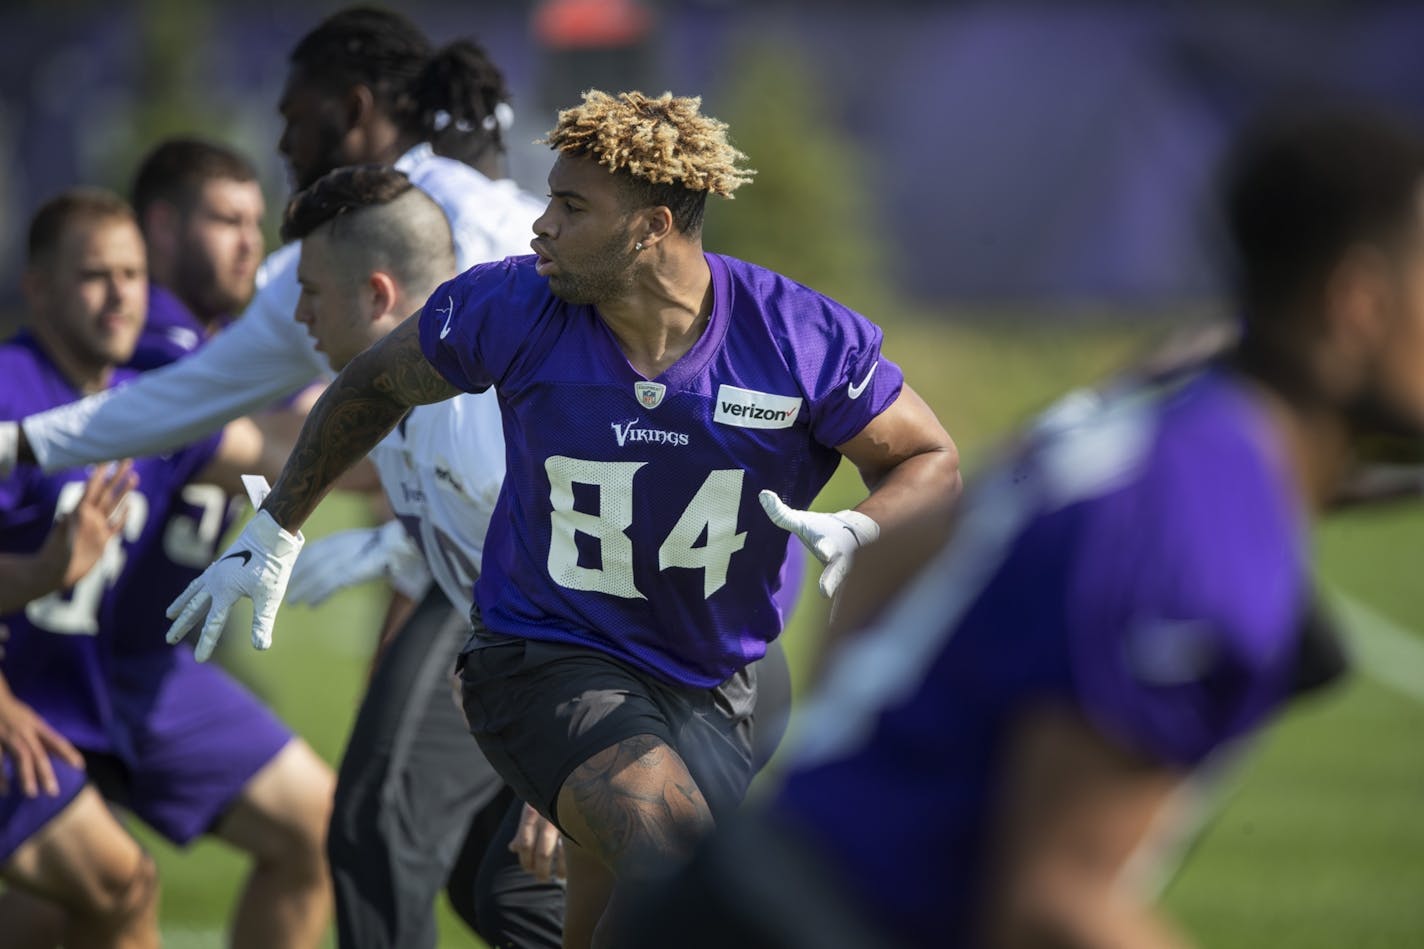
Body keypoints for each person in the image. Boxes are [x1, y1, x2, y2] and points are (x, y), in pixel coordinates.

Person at [165, 89, 962, 949]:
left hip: (711, 679)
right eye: (548, 197)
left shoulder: (796, 336)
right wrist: (280, 521)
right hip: (542, 656)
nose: (540, 225)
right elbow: (374, 382)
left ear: (651, 227)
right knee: (682, 874)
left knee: (605, 917)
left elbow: (928, 457)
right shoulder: (516, 306)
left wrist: (862, 526)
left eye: (572, 206)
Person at [623, 109, 1424, 949]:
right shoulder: (1204, 533)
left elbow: (885, 563)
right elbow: (1053, 907)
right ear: (1357, 304)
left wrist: (854, 773)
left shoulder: (1166, 434)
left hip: (751, 889)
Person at [0, 9, 556, 947]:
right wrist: (376, 539)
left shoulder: (432, 254)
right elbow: (307, 424)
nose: (289, 298)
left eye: (293, 118)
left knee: (385, 829)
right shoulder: (414, 263)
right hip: (554, 593)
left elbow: (510, 478)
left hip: (597, 611)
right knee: (491, 883)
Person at [0, 190, 302, 946]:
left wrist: (401, 421)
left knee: (77, 907)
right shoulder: (10, 396)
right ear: (37, 285)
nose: (120, 294)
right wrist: (38, 573)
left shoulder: (143, 401)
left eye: (132, 274)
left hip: (100, 678)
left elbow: (270, 456)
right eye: (94, 275)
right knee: (120, 885)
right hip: (23, 689)